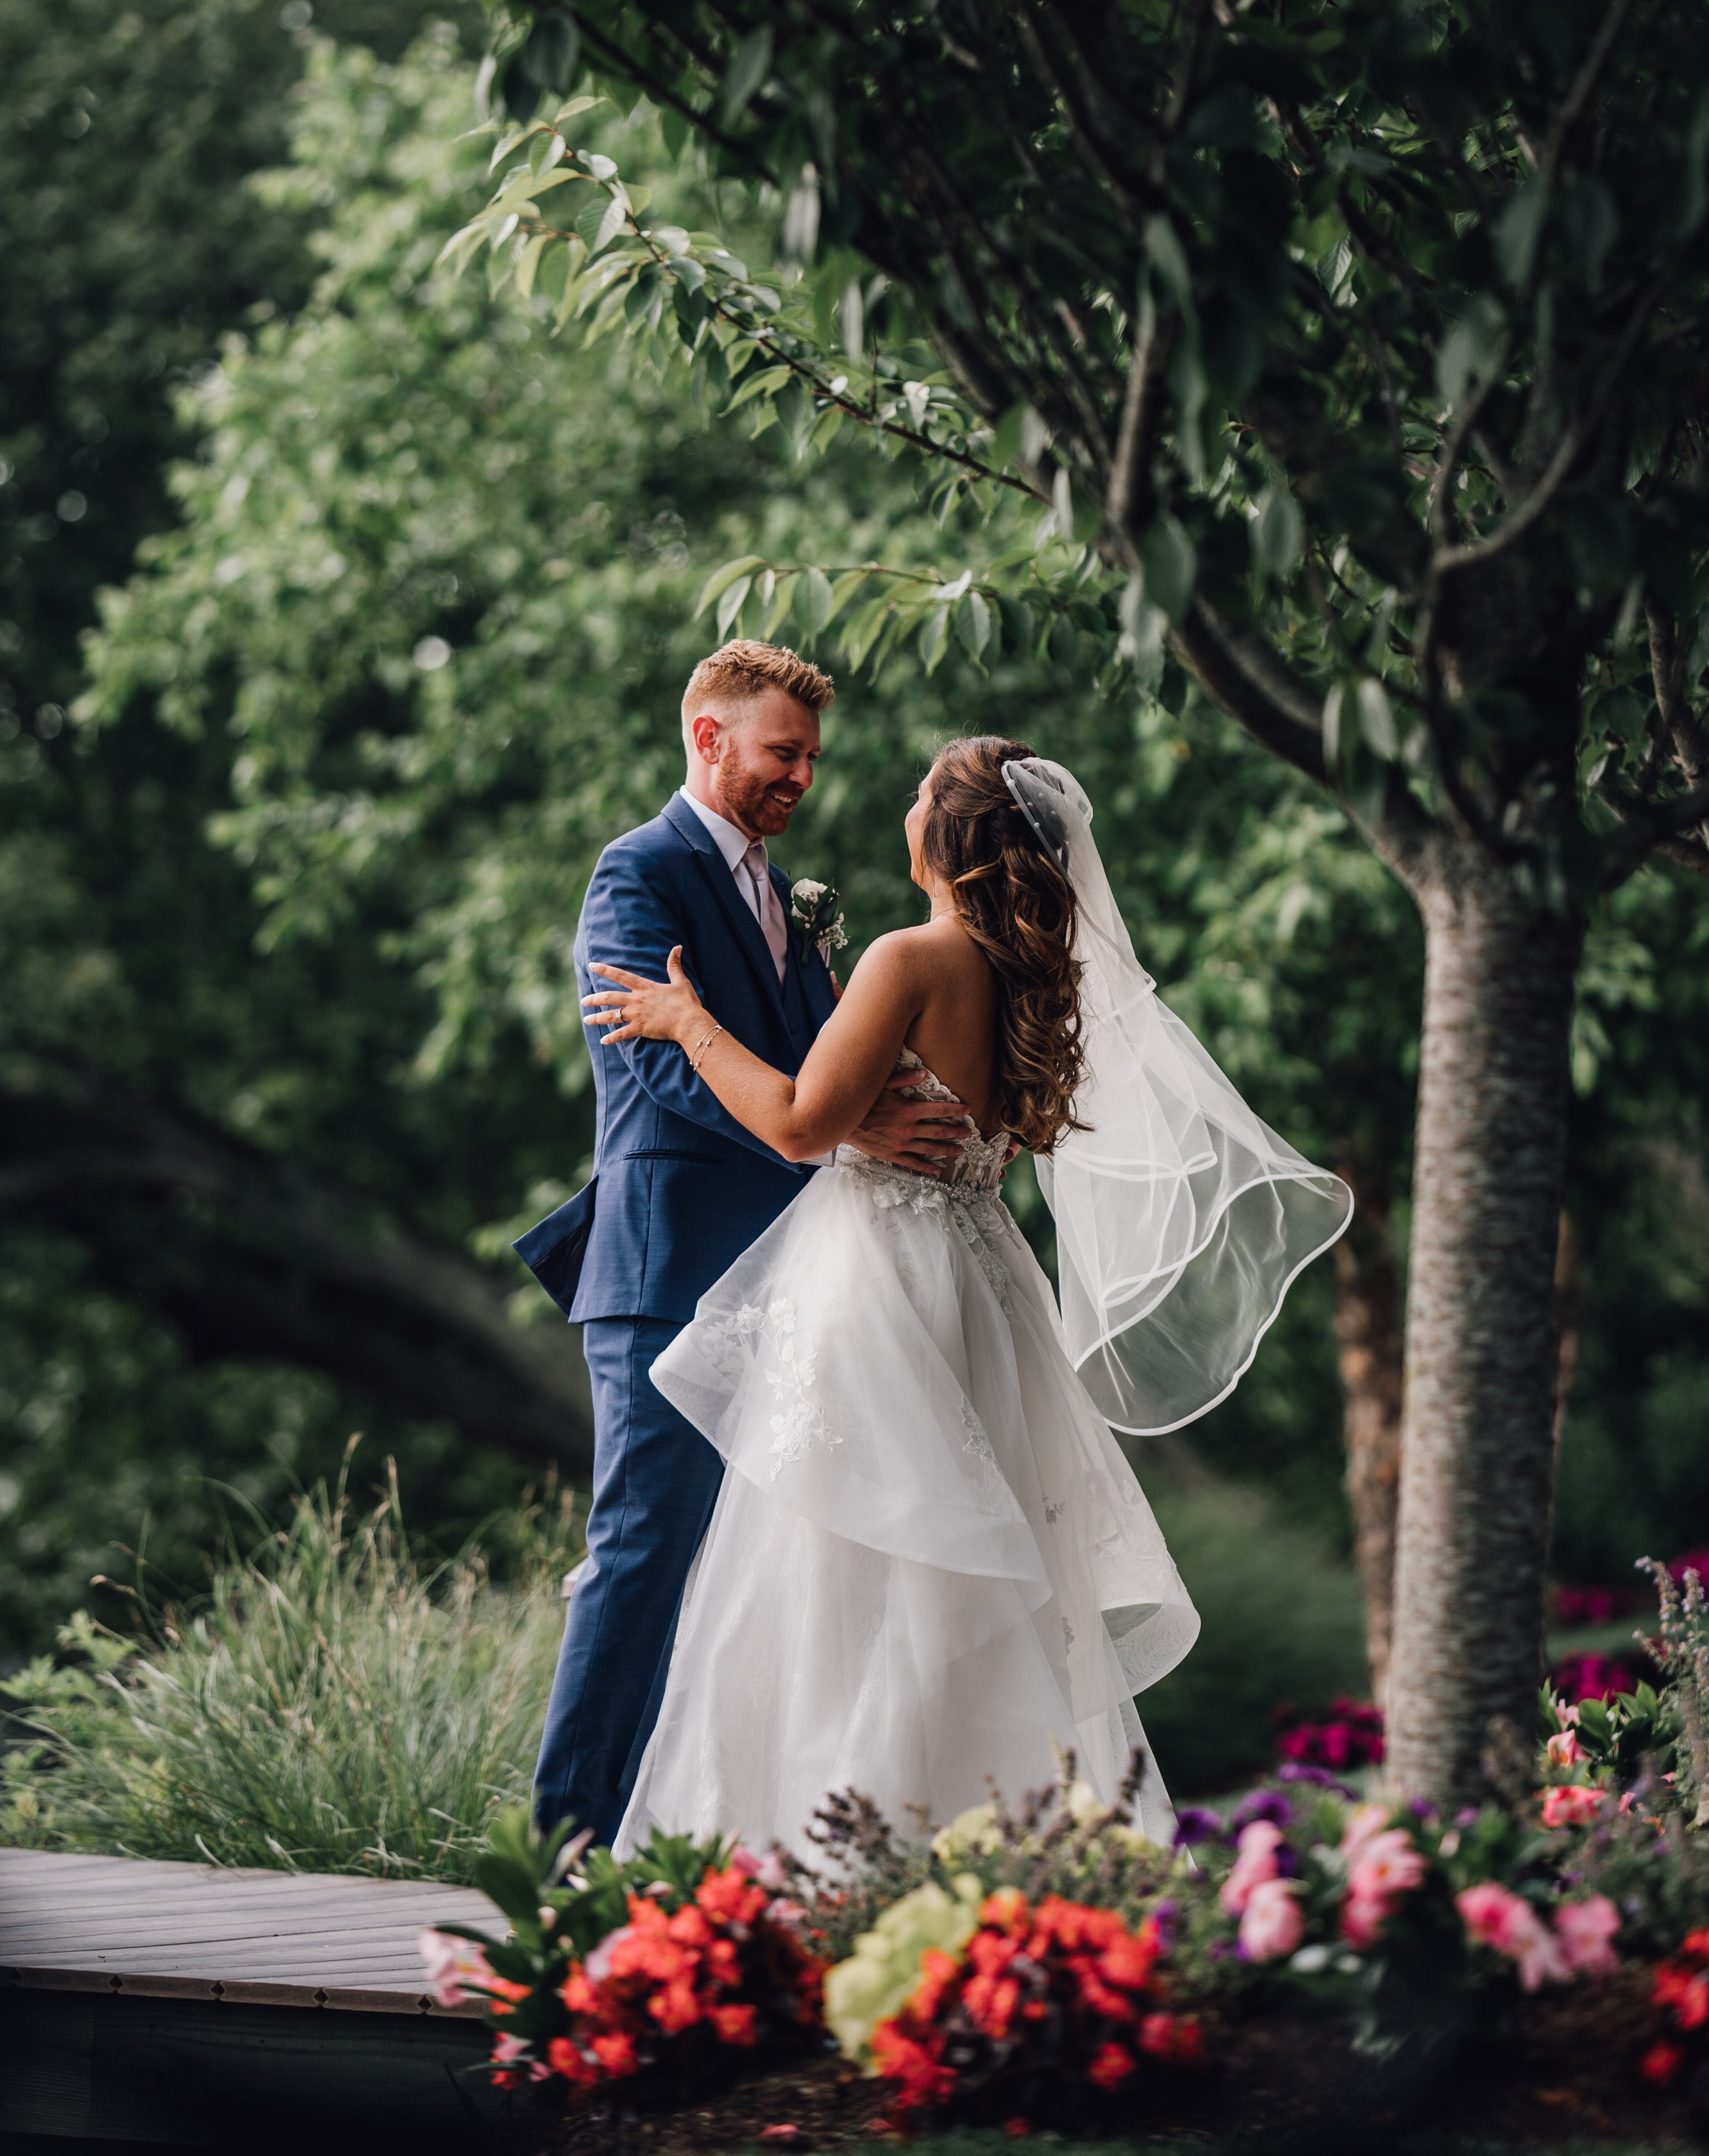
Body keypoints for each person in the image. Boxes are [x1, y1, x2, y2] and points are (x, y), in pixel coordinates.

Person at [584, 734, 1353, 1855]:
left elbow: (801, 1123)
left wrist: (686, 1020)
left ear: (943, 836)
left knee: (845, 1584)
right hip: (983, 1291)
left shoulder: (909, 959)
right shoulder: (1029, 979)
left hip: (882, 1291)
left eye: (914, 798)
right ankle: (974, 1847)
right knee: (964, 1599)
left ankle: (846, 1855)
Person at [517, 642, 972, 1853]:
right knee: (644, 1554)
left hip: (789, 1279)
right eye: (783, 751)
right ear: (709, 736)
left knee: (751, 1578)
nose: (802, 777)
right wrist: (832, 1127)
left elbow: (824, 1061)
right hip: (667, 1274)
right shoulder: (639, 873)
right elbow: (660, 1067)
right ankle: (565, 1858)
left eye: (812, 759)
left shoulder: (786, 896)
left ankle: (684, 1847)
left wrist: (856, 1107)